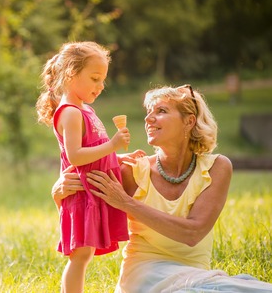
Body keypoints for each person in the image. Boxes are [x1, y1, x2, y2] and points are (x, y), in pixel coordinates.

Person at [52, 84, 272, 292]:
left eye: (161, 111)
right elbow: (83, 206)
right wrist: (58, 193)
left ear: (189, 121)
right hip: (144, 275)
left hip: (197, 277)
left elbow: (193, 232)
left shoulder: (217, 167)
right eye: (149, 111)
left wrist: (126, 203)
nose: (148, 118)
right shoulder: (132, 171)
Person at [36, 41, 140, 293]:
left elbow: (96, 154)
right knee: (80, 257)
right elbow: (76, 156)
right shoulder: (70, 113)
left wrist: (121, 158)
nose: (100, 86)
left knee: (85, 254)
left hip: (90, 192)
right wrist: (114, 145)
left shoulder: (87, 110)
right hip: (80, 195)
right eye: (95, 78)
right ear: (71, 74)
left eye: (102, 80)